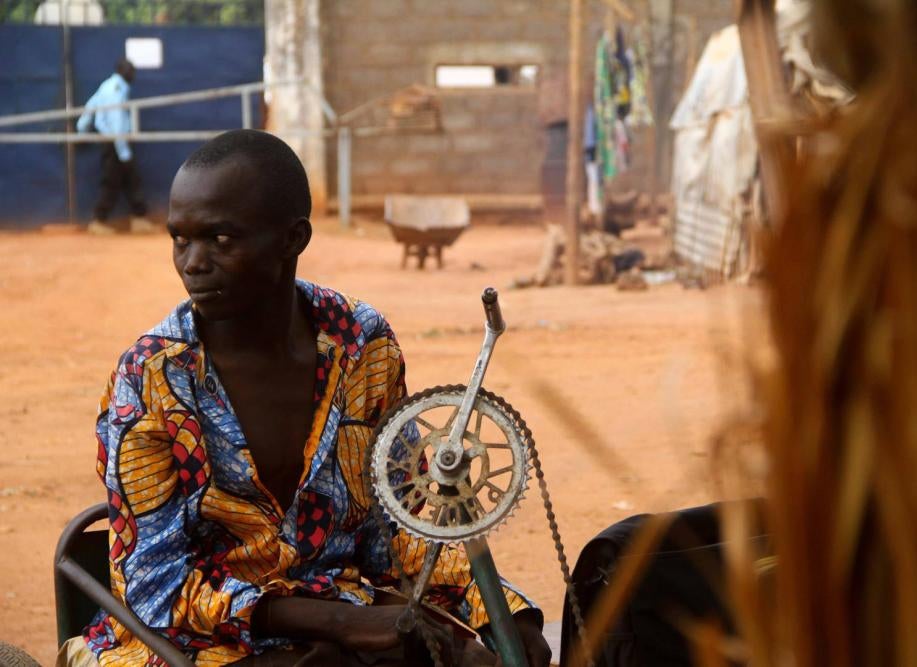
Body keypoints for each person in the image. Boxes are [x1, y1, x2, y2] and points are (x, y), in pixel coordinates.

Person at [61, 130, 550, 666]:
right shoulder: (152, 378)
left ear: (293, 238)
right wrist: (337, 622)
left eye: (220, 239)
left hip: (339, 621)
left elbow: (399, 530)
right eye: (181, 239)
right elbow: (154, 589)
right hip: (189, 642)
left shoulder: (361, 345)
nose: (193, 263)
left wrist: (500, 611)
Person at [76, 58, 155, 235]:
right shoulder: (117, 89)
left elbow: (91, 106)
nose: (133, 74)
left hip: (113, 141)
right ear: (122, 71)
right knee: (112, 181)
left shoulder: (108, 85)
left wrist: (82, 128)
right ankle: (99, 221)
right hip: (116, 142)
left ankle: (138, 218)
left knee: (130, 180)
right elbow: (116, 122)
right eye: (130, 70)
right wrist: (123, 152)